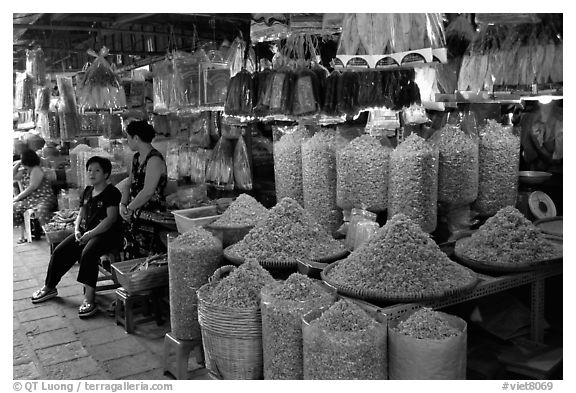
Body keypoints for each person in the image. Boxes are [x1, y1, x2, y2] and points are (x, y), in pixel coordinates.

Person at [30, 156, 123, 318]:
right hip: (85, 232)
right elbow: (81, 213)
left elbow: (110, 220)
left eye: (97, 170)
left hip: (106, 234)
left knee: (88, 253)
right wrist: (76, 230)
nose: (91, 173)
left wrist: (89, 234)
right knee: (59, 251)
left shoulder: (112, 192)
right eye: (89, 170)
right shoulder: (88, 191)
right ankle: (49, 287)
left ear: (106, 174)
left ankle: (89, 299)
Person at [119, 120, 168, 258]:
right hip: (135, 213)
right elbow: (128, 183)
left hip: (151, 215)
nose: (127, 141)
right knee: (132, 253)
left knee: (147, 257)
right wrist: (122, 204)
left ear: (136, 138)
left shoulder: (155, 159)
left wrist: (129, 208)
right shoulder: (136, 158)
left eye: (128, 137)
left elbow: (148, 192)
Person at [13, 149, 58, 243]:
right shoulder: (24, 171)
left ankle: (51, 236)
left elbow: (32, 187)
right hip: (30, 200)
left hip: (43, 198)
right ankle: (26, 233)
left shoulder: (36, 169)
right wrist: (18, 164)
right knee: (14, 208)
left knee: (41, 210)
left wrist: (17, 198)